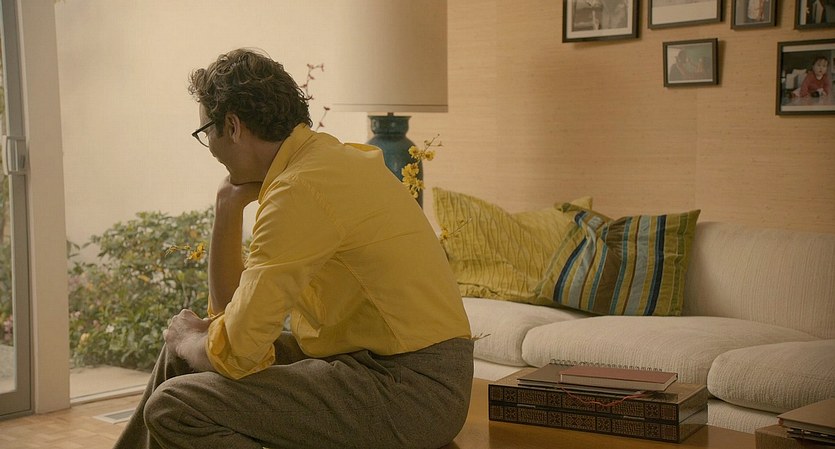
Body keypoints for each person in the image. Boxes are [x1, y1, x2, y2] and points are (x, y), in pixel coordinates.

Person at [113, 48, 473, 449]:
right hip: (361, 363)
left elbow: (237, 350)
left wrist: (188, 338)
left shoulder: (299, 189)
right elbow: (231, 322)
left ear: (232, 126)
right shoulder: (320, 161)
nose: (209, 147)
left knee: (174, 406)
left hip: (412, 389)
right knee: (181, 359)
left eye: (206, 133)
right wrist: (227, 207)